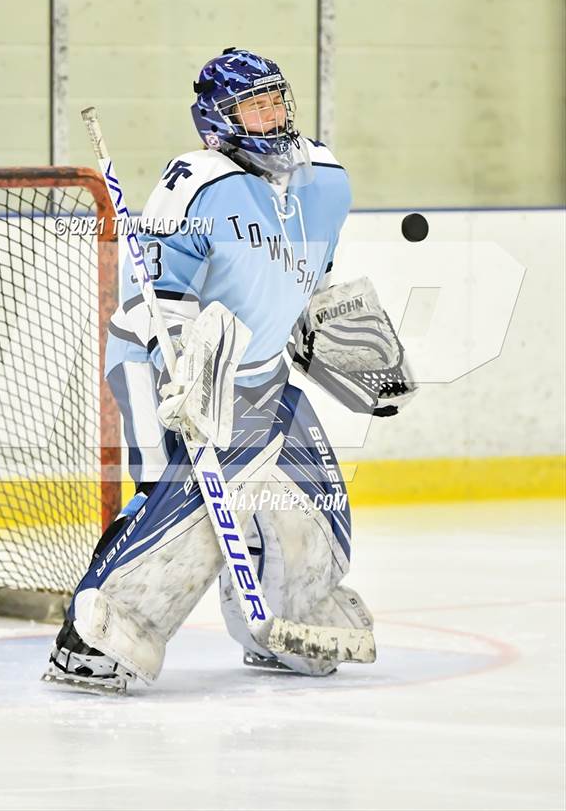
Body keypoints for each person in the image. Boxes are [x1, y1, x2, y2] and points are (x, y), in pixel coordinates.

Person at [43, 48, 414, 693]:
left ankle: (282, 620)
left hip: (264, 375)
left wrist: (342, 348)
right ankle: (104, 634)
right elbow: (159, 300)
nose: (271, 116)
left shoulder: (326, 178)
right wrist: (184, 374)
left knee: (311, 504)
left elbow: (306, 282)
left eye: (277, 101)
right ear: (218, 118)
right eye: (254, 105)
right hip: (166, 363)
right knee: (187, 507)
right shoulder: (196, 183)